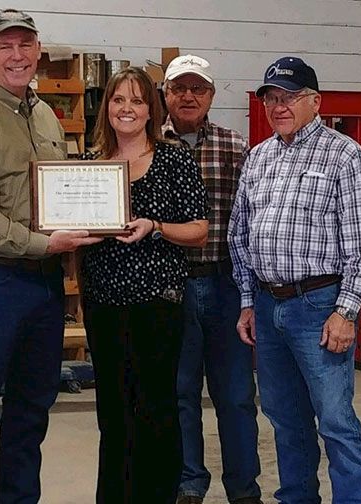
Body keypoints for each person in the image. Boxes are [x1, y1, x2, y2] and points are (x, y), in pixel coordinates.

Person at [0, 9, 101, 504]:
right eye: (5, 46)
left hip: (44, 284)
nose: (16, 56)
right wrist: (44, 243)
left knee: (32, 407)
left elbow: (61, 193)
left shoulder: (46, 115)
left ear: (38, 52)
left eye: (24, 46)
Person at [228, 56, 361, 504]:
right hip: (267, 302)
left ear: (315, 101)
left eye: (290, 97)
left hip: (319, 306)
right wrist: (246, 301)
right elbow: (240, 234)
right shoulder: (259, 157)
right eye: (272, 98)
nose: (279, 106)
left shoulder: (344, 155)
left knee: (335, 419)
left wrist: (346, 310)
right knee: (283, 416)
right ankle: (297, 498)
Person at [81, 67, 210, 504]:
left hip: (158, 304)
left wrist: (155, 226)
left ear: (150, 110)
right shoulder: (88, 165)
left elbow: (199, 230)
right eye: (119, 100)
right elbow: (68, 228)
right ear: (107, 108)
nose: (127, 109)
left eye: (136, 101)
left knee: (156, 408)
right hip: (104, 305)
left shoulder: (174, 159)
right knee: (112, 413)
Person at [160, 55, 262, 504]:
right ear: (165, 93)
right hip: (169, 286)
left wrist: (251, 292)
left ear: (211, 96)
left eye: (197, 89)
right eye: (179, 87)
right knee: (179, 394)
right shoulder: (148, 146)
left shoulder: (235, 146)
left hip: (224, 285)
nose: (188, 96)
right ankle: (188, 483)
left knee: (237, 396)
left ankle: (243, 489)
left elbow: (254, 220)